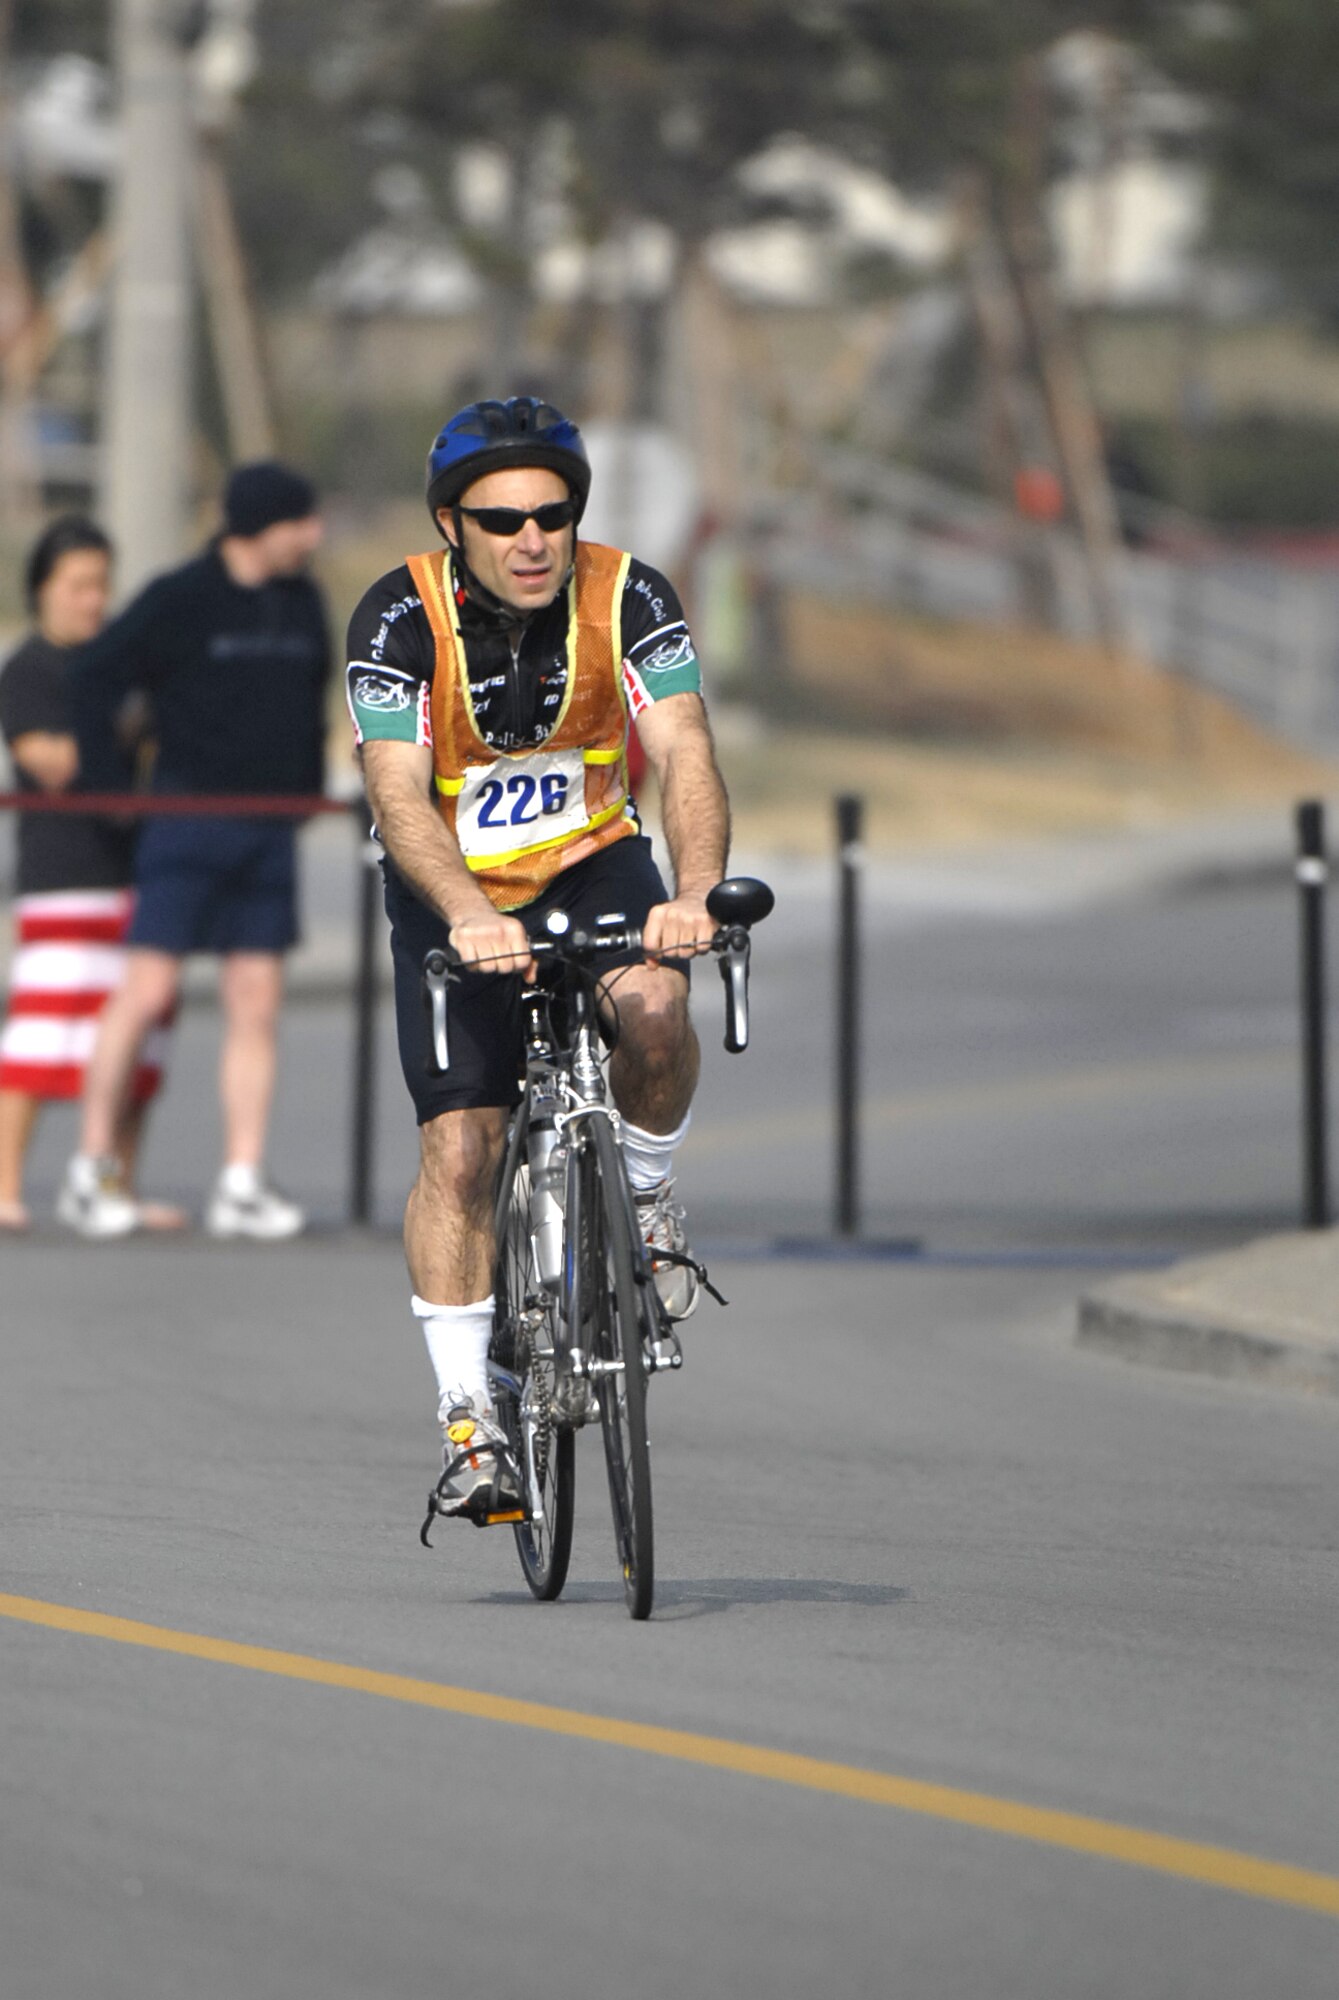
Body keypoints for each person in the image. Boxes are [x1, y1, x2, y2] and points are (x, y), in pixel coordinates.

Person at [347, 396, 729, 1524]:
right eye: (501, 518)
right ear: (450, 523)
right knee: (463, 1149)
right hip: (452, 887)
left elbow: (684, 748)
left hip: (593, 862)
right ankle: (470, 1420)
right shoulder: (395, 616)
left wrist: (697, 889)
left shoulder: (632, 594)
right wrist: (465, 909)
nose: (530, 539)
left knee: (655, 1007)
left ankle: (648, 1204)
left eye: (553, 515)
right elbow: (394, 791)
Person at [59, 461, 330, 1239]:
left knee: (258, 1004)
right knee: (144, 992)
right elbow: (94, 675)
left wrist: (307, 788)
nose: (312, 537)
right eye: (299, 522)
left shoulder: (302, 600)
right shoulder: (181, 595)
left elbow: (312, 699)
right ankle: (91, 1166)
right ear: (261, 525)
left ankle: (241, 1179)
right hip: (183, 819)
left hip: (268, 826)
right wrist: (110, 791)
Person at [0, 517, 180, 1233]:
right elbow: (54, 762)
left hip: (133, 870)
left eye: (101, 585)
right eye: (78, 585)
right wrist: (129, 731)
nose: (92, 600)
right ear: (44, 589)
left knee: (137, 1043)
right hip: (61, 878)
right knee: (40, 1041)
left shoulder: (118, 666)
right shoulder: (29, 668)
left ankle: (116, 1187)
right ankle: (7, 1187)